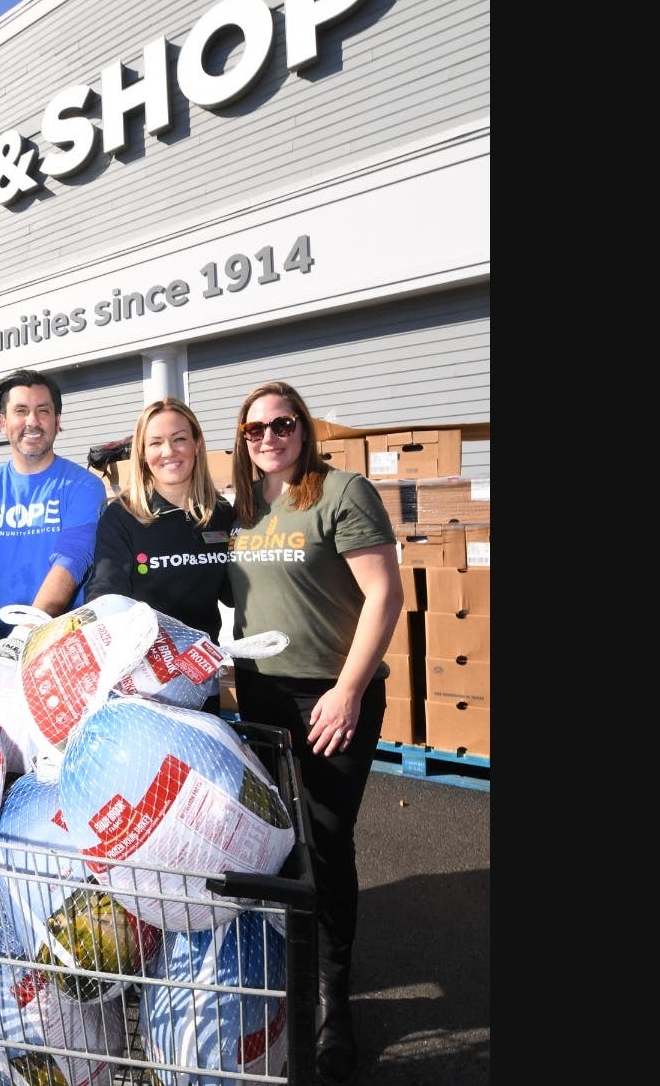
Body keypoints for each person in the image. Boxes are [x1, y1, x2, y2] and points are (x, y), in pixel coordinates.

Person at [221, 381, 404, 1085]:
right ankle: (287, 975)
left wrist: (349, 690)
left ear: (304, 428)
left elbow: (385, 593)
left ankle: (335, 1003)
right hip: (262, 696)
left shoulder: (340, 492)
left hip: (328, 697)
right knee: (276, 839)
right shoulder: (244, 508)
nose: (269, 437)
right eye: (256, 428)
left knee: (325, 840)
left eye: (283, 424)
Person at [0, 368, 108, 647]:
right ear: (3, 422)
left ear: (57, 420)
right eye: (21, 411)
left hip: (61, 645)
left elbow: (72, 559)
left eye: (43, 411)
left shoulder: (84, 486)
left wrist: (27, 634)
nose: (33, 421)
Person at [84, 396, 234, 640]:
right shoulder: (122, 516)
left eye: (180, 439)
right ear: (142, 453)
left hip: (203, 666)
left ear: (196, 444)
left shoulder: (221, 513)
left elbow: (234, 592)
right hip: (145, 669)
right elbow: (105, 594)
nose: (169, 451)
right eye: (155, 443)